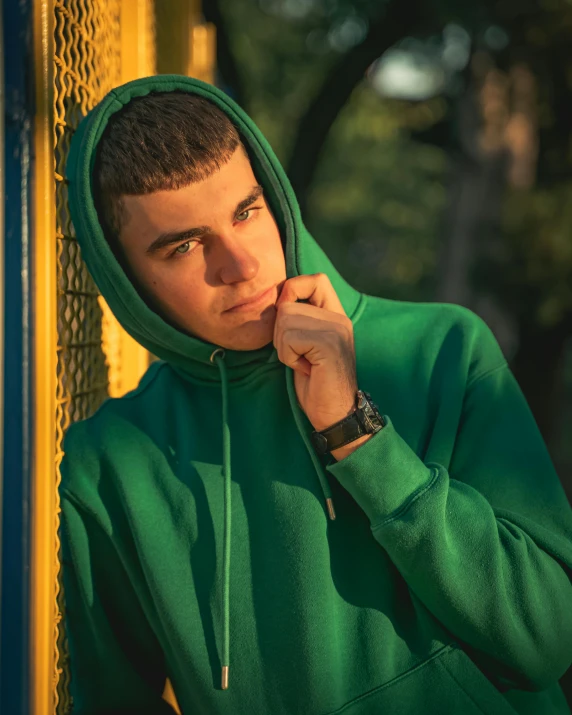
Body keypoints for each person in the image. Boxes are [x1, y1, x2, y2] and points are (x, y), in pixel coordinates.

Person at [59, 74, 572, 715]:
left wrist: (357, 431)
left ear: (276, 199)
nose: (240, 265)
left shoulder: (440, 351)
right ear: (124, 277)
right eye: (185, 246)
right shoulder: (109, 464)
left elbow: (546, 639)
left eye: (247, 212)